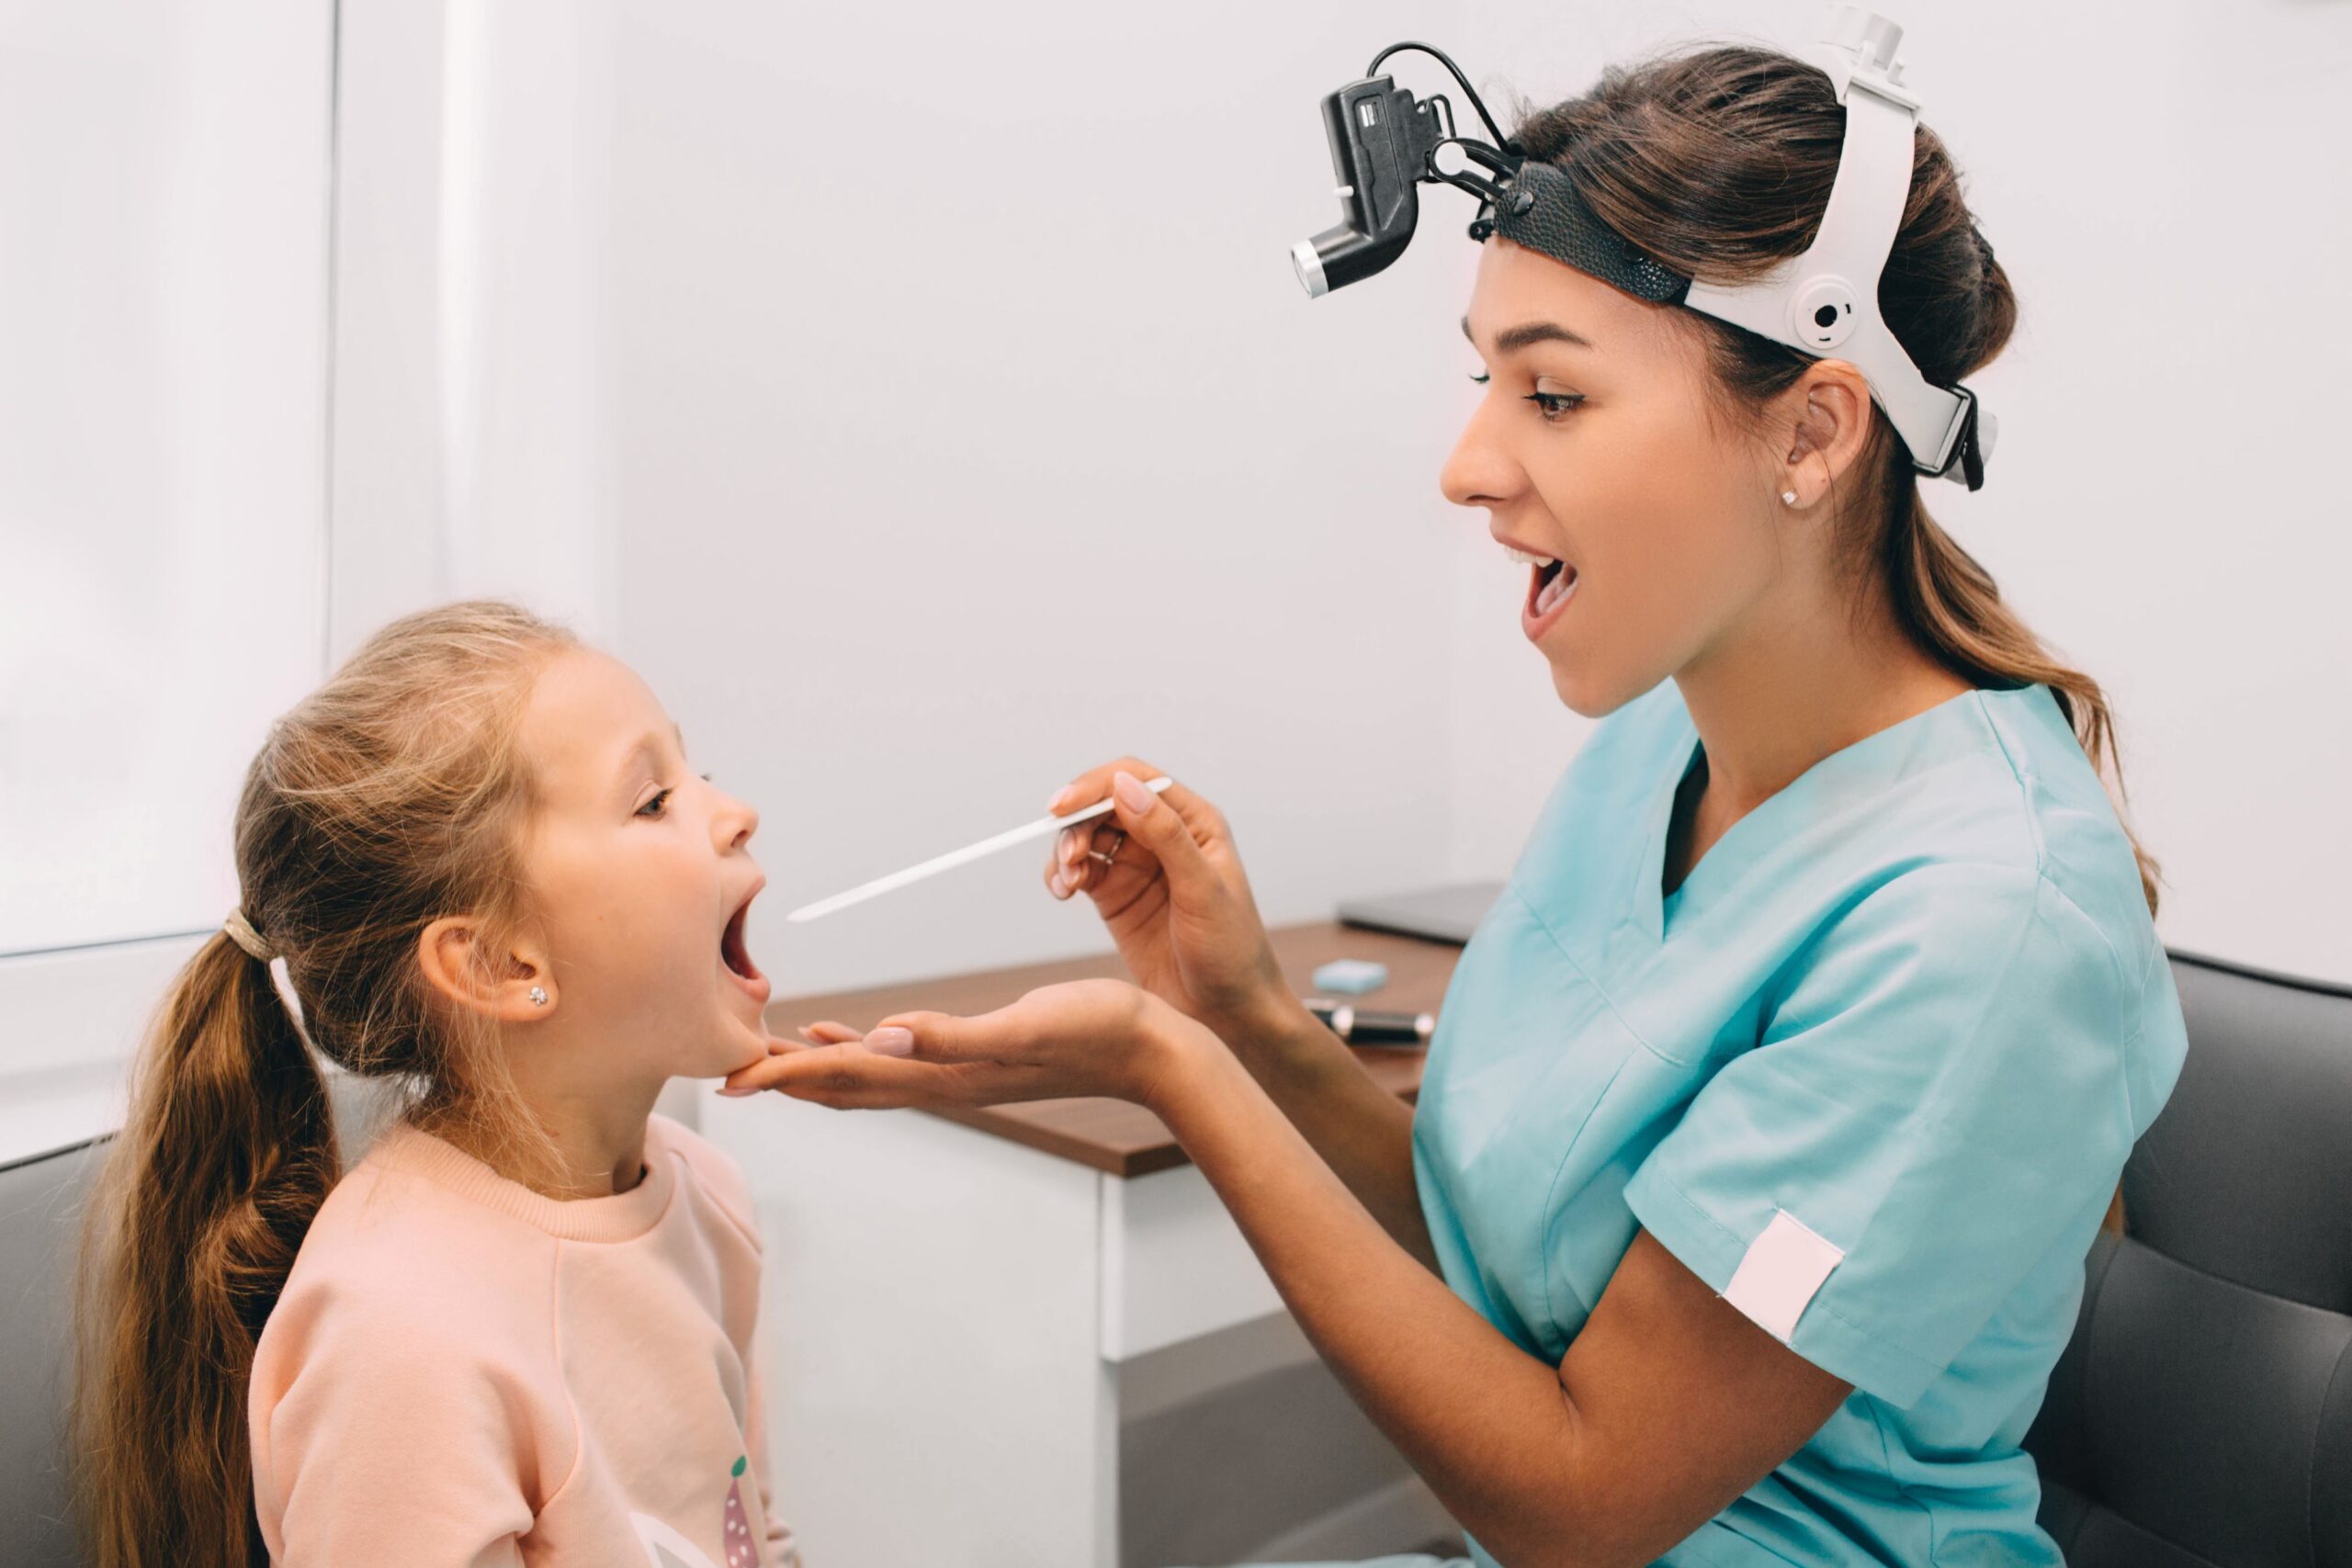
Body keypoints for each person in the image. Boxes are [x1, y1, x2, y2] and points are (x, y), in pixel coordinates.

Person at [721, 41, 2189, 1567]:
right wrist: (1244, 1014)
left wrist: (1171, 1069)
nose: (1467, 465)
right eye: (1485, 380)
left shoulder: (1984, 921)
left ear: (1814, 432)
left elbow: (1586, 1497)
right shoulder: (1660, 738)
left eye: (1553, 392)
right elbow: (1508, 1275)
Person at [77, 600, 798, 1568]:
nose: (735, 810)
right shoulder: (402, 1338)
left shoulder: (708, 1198)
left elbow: (751, 1534)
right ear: (498, 964)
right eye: (653, 800)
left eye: (691, 769)